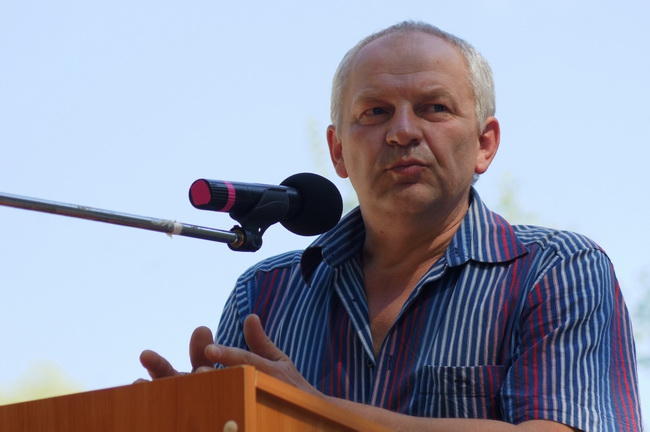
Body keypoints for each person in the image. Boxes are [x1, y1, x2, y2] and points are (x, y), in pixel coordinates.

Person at [140, 21, 643, 431]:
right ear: (338, 151)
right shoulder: (263, 295)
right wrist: (192, 416)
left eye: (434, 108)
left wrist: (311, 413)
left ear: (485, 144)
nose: (402, 132)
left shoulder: (557, 269)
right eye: (376, 112)